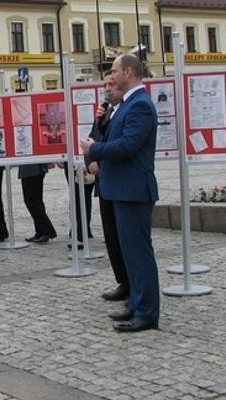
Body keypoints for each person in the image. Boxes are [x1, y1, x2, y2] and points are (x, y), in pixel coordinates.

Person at [80, 54, 160, 333]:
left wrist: (94, 149)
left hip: (133, 190)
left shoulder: (140, 105)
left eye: (115, 71)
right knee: (129, 254)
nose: (111, 76)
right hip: (122, 189)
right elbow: (115, 137)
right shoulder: (127, 104)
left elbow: (127, 146)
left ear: (129, 71)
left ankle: (147, 312)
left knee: (139, 255)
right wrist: (101, 129)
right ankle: (136, 305)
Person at [87, 72, 129, 302]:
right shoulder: (105, 113)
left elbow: (122, 146)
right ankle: (122, 281)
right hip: (104, 183)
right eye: (105, 85)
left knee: (124, 239)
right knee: (111, 238)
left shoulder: (127, 111)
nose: (108, 89)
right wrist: (91, 163)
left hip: (119, 181)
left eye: (112, 84)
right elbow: (92, 140)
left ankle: (132, 284)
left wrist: (100, 160)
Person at [18, 163, 57, 243]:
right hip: (32, 167)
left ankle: (47, 230)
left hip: (32, 167)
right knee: (36, 200)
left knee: (31, 200)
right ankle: (40, 231)